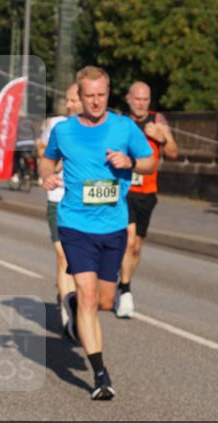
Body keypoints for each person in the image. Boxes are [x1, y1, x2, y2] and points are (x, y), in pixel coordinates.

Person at [40, 66, 155, 401]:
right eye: (89, 95)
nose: (95, 101)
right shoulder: (65, 130)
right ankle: (101, 375)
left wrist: (130, 163)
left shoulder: (124, 127)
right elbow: (48, 161)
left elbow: (149, 162)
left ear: (109, 92)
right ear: (79, 94)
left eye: (101, 95)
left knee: (104, 301)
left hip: (113, 226)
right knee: (90, 297)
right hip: (75, 224)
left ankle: (74, 303)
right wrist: (48, 176)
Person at [116, 81, 179, 318]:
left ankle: (122, 280)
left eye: (146, 99)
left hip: (148, 192)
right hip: (124, 190)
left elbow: (173, 153)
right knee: (129, 241)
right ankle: (125, 291)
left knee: (137, 246)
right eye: (137, 99)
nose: (141, 103)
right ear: (128, 98)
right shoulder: (121, 122)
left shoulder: (158, 121)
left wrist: (162, 139)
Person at [38, 82, 82, 339]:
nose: (68, 105)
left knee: (84, 264)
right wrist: (51, 169)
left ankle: (78, 298)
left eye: (73, 100)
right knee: (64, 257)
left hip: (86, 204)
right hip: (58, 199)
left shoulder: (97, 129)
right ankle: (69, 313)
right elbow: (43, 156)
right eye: (67, 100)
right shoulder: (56, 126)